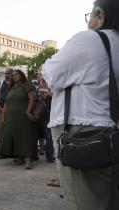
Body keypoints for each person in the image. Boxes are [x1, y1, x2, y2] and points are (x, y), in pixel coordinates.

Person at [42, 0, 119, 209]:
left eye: (90, 16)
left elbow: (51, 75)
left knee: (82, 200)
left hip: (84, 135)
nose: (88, 22)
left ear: (100, 15)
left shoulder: (89, 39)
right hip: (113, 132)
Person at [0, 70, 36, 169]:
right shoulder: (11, 88)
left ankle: (28, 159)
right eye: (13, 75)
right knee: (14, 136)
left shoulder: (27, 85)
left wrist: (28, 111)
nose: (14, 77)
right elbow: (6, 102)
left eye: (16, 74)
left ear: (21, 75)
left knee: (25, 136)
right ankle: (19, 157)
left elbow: (32, 98)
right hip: (11, 117)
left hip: (23, 116)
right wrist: (3, 116)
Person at [0, 68, 13, 159]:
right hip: (1, 110)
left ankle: (12, 152)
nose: (7, 74)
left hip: (12, 111)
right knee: (0, 132)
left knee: (11, 131)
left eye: (9, 73)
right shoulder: (1, 83)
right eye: (6, 73)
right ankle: (1, 152)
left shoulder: (15, 84)